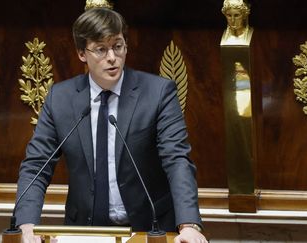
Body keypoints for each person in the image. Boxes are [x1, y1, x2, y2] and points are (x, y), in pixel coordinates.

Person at [15, 7, 208, 243]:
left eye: (118, 46)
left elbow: (177, 159)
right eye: (100, 49)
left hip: (149, 228)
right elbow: (37, 165)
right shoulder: (60, 98)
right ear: (81, 54)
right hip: (85, 232)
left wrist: (188, 224)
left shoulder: (158, 93)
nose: (111, 57)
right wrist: (25, 225)